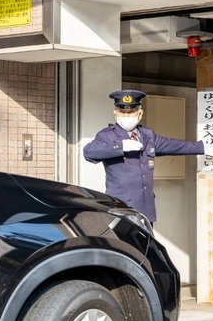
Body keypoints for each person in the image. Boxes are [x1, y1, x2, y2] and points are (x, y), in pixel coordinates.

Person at [83, 89, 204, 224]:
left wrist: (203, 146)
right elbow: (89, 153)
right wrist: (121, 147)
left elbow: (174, 145)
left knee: (147, 245)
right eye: (122, 112)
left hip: (145, 209)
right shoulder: (107, 136)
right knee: (125, 245)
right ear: (115, 113)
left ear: (140, 114)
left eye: (131, 112)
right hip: (121, 209)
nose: (127, 116)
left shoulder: (147, 135)